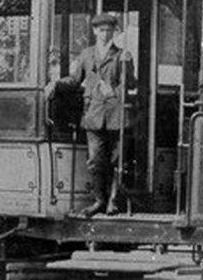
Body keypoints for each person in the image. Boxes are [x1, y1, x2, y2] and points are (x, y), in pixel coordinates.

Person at [46, 12, 136, 217]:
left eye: (109, 30)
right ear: (95, 31)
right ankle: (99, 200)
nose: (105, 34)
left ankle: (113, 201)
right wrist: (56, 83)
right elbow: (75, 79)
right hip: (94, 115)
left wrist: (119, 82)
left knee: (115, 160)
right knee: (95, 160)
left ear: (114, 32)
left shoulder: (122, 55)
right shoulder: (87, 54)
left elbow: (130, 83)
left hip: (115, 114)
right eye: (101, 30)